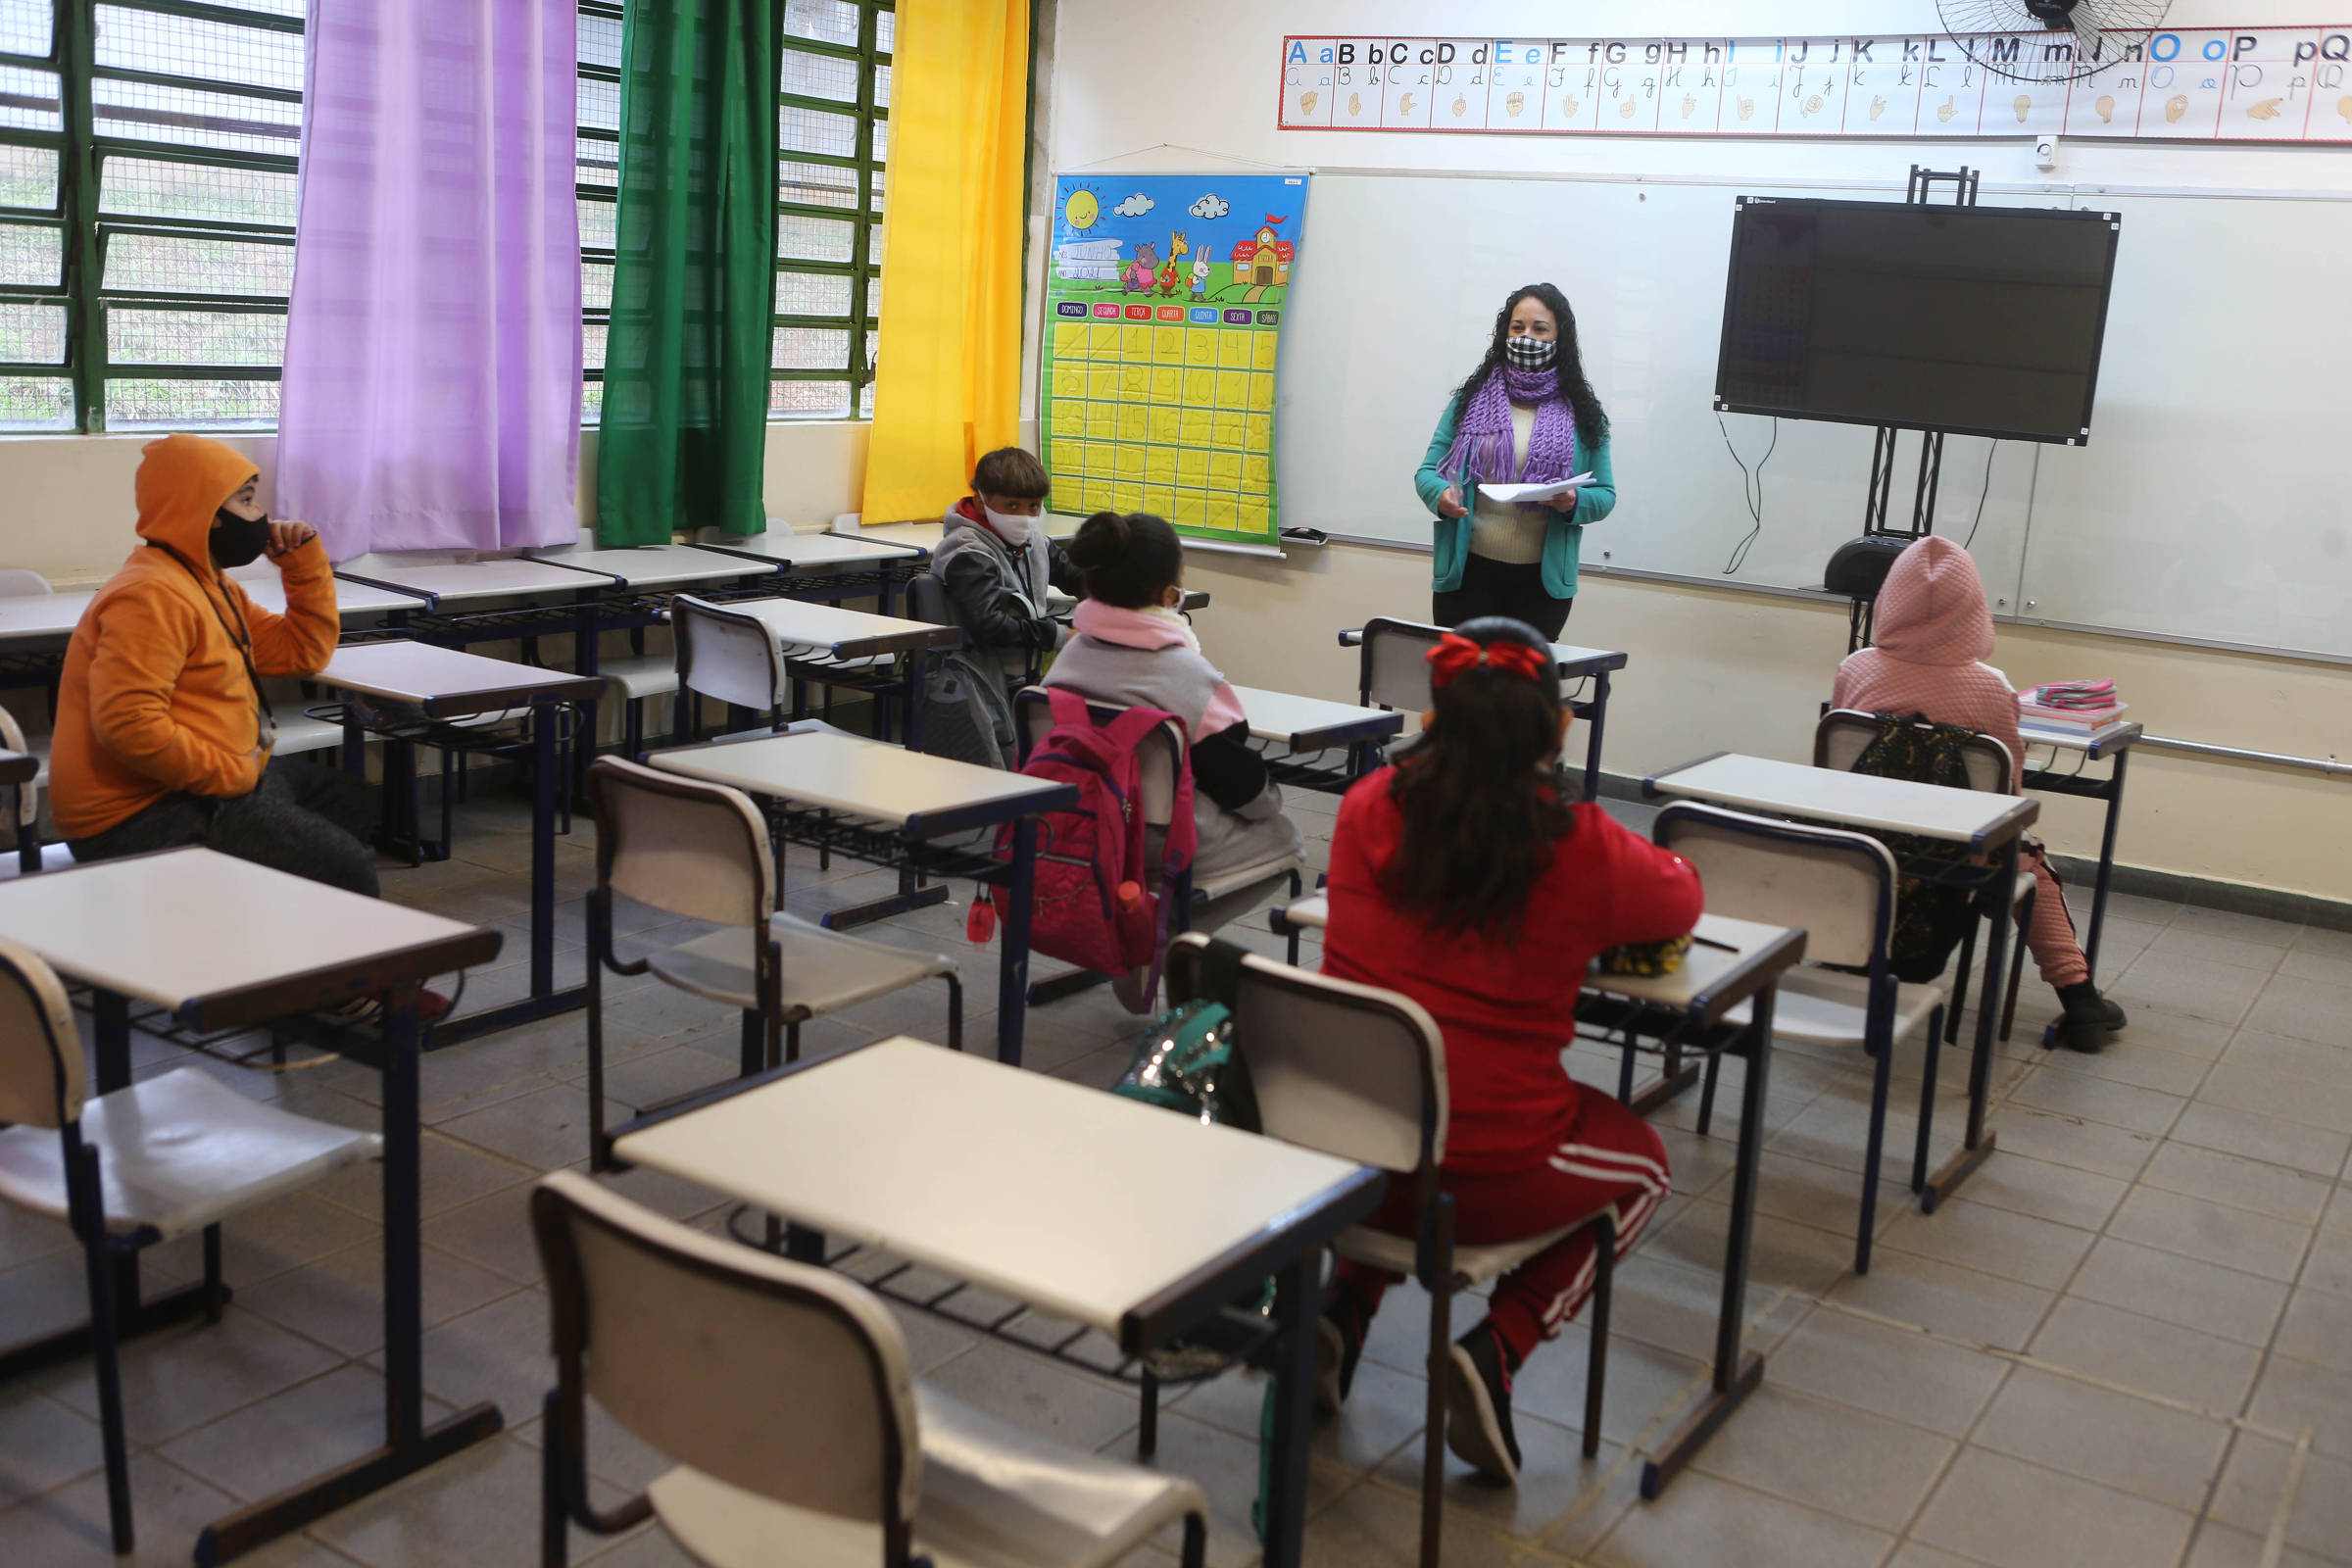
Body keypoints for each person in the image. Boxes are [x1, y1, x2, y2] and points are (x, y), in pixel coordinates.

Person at [1316, 616, 1698, 1485]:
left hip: (1339, 1154)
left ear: (1428, 714)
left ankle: (1341, 1309)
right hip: (1482, 1177)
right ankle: (1500, 1345)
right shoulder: (1582, 846)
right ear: (1558, 729)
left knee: (1399, 1100)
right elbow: (1681, 898)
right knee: (1643, 1166)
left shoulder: (1365, 806)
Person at [1832, 535, 2127, 1053]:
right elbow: (2006, 797)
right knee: (2033, 866)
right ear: (1973, 608)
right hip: (1957, 858)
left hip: (1863, 846)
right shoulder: (1991, 687)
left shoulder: (1855, 668)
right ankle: (2079, 998)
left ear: (1890, 600)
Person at [1043, 511, 1302, 899]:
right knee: (1286, 837)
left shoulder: (1070, 657)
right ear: (1169, 596)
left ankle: (1154, 941)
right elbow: (1242, 788)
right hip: (1155, 843)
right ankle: (1172, 945)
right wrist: (1271, 800)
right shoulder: (1189, 675)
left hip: (1066, 824)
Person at [1412, 283, 1617, 639]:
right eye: (1517, 327)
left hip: (1541, 586)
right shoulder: (1469, 399)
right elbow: (1428, 472)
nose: (1527, 337)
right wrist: (1441, 496)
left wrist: (1573, 502)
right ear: (1504, 333)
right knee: (1462, 688)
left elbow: (1605, 495)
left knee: (1520, 693)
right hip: (1467, 574)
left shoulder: (1584, 413)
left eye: (1540, 329)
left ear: (1559, 338)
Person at [918, 446, 1083, 768]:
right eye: (1011, 505)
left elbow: (1076, 578)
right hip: (983, 680)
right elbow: (989, 624)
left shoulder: (1033, 540)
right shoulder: (966, 550)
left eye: (1033, 506)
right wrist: (1058, 635)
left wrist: (1122, 599)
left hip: (1026, 671)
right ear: (981, 501)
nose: (1023, 517)